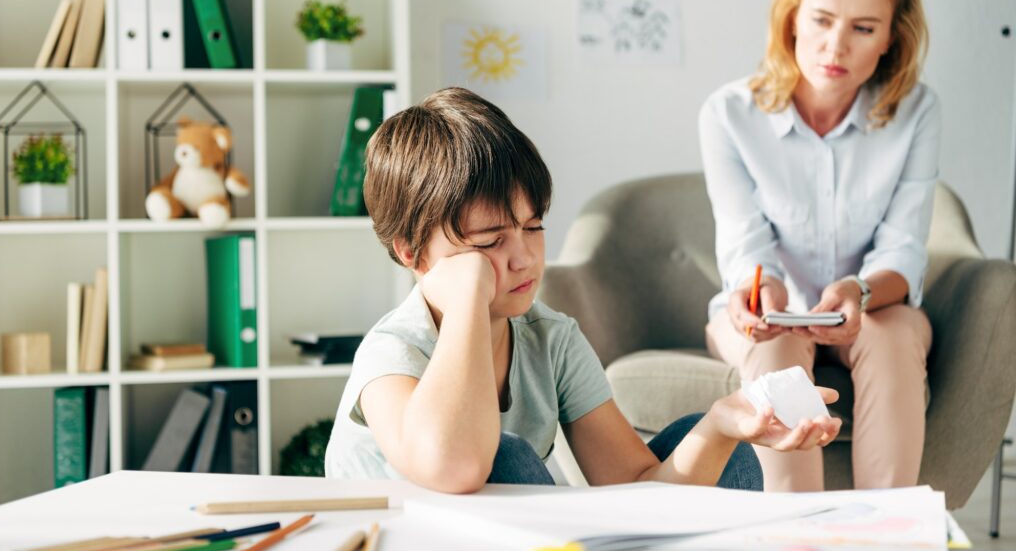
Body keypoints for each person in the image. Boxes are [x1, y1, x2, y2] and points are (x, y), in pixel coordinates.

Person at [325, 86, 841, 493]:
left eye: (533, 227)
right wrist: (466, 300)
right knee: (503, 459)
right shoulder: (392, 352)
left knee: (719, 451)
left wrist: (722, 426)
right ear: (411, 252)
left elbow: (638, 486)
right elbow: (455, 467)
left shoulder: (551, 339)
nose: (524, 257)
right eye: (488, 242)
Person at [699, 0, 940, 492]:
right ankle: (794, 550)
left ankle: (887, 539)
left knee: (891, 334)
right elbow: (744, 243)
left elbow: (903, 247)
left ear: (890, 38)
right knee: (777, 346)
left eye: (863, 28)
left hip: (872, 307)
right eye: (822, 20)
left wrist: (856, 291)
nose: (836, 47)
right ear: (792, 18)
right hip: (767, 315)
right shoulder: (728, 114)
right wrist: (767, 293)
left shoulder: (917, 111)